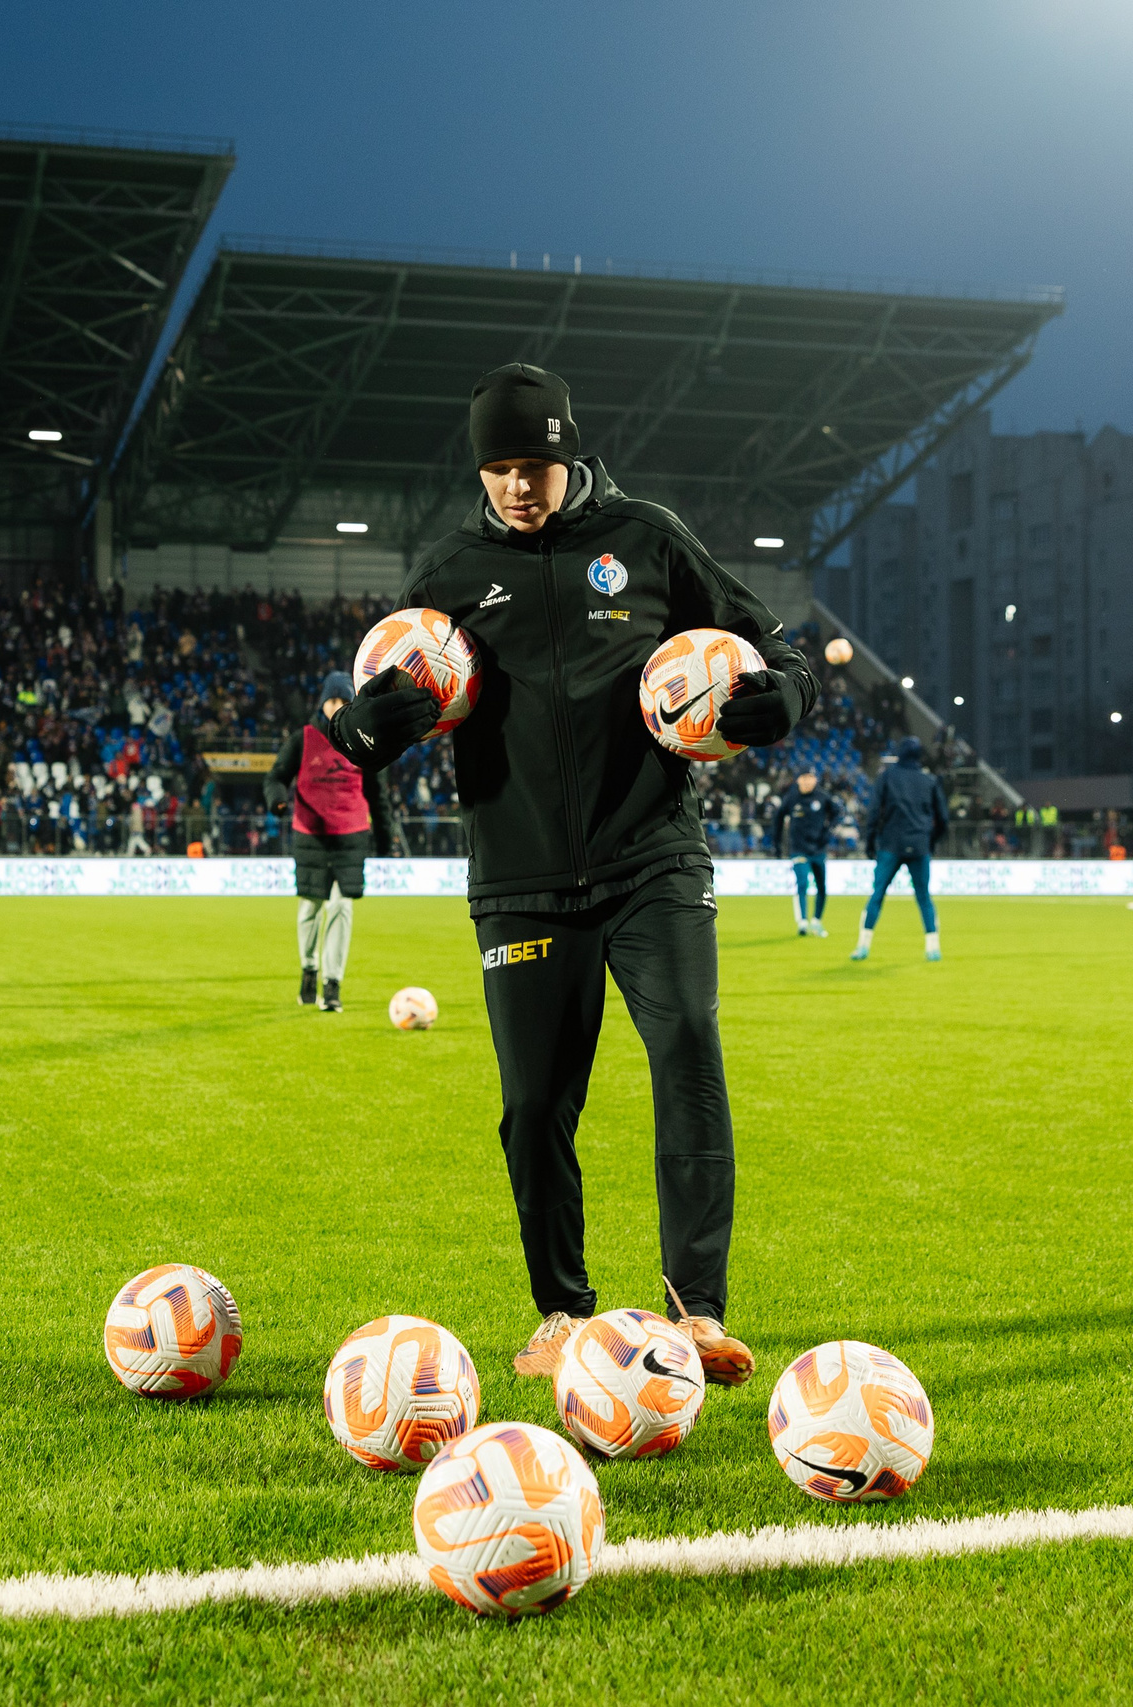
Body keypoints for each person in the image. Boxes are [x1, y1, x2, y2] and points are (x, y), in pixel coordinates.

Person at [327, 362, 814, 1385]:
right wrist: (363, 731)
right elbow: (375, 712)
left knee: (686, 1042)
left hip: (653, 856)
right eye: (498, 468)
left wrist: (786, 699)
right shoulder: (450, 571)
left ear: (568, 454)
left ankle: (699, 1311)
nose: (517, 485)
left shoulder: (645, 538)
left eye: (534, 465)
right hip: (519, 876)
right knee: (534, 1102)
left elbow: (769, 643)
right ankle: (560, 1313)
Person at [265, 670, 396, 1012]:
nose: (338, 707)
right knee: (310, 907)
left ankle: (332, 984)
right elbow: (277, 776)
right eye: (333, 701)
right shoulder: (302, 739)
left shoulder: (363, 740)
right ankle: (309, 969)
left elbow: (377, 794)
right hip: (310, 834)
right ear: (323, 703)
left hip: (351, 834)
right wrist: (277, 799)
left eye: (344, 701)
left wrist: (385, 839)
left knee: (341, 906)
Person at [850, 737, 949, 963]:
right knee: (924, 897)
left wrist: (870, 842)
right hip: (919, 846)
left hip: (891, 844)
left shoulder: (887, 777)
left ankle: (862, 946)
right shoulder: (929, 781)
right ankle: (933, 948)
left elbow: (874, 811)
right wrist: (930, 841)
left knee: (877, 895)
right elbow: (943, 818)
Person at [773, 768, 840, 937]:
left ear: (815, 780)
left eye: (810, 778)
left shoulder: (823, 797)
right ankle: (802, 922)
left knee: (822, 887)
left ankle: (816, 921)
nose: (807, 781)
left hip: (818, 849)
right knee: (802, 883)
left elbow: (838, 813)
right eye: (804, 778)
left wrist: (828, 831)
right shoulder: (791, 798)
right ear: (798, 780)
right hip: (798, 849)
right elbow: (778, 817)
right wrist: (777, 843)